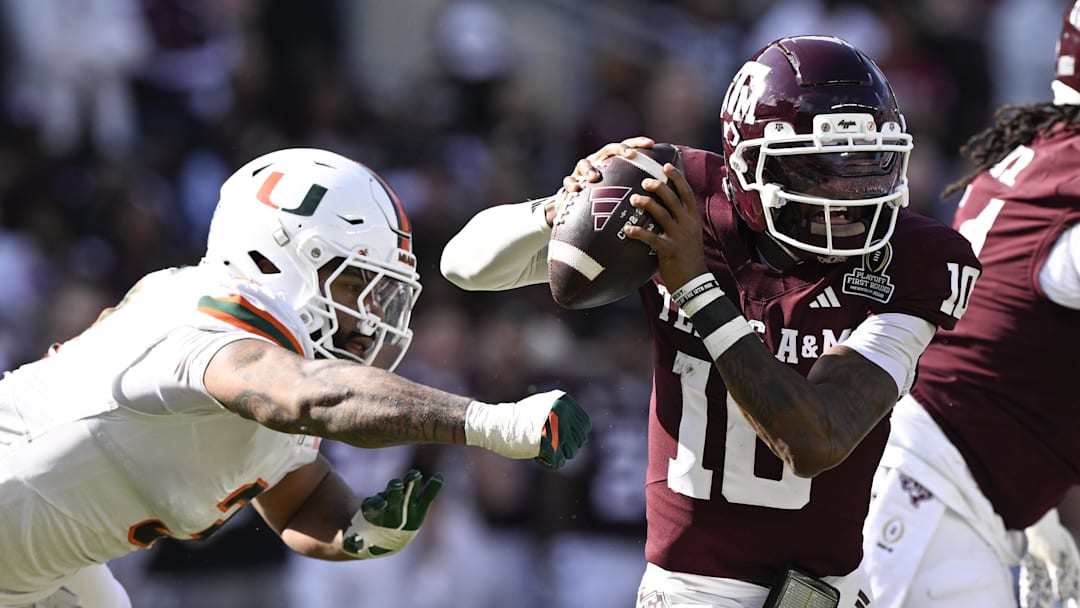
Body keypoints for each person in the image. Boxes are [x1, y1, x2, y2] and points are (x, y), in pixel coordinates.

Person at [441, 35, 981, 608]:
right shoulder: (677, 194)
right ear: (746, 166)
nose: (846, 195)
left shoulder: (917, 260)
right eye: (818, 168)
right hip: (693, 593)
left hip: (832, 595)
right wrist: (563, 207)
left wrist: (696, 289)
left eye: (866, 163)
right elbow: (463, 266)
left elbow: (814, 438)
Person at [0, 147, 592, 608]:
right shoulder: (201, 312)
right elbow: (306, 396)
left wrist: (359, 533)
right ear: (280, 256)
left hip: (36, 566)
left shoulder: (277, 370)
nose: (373, 314)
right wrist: (491, 422)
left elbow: (299, 500)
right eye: (358, 283)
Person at [860, 3, 1080, 607]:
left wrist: (1042, 516)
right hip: (934, 507)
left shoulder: (1040, 159)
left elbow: (1019, 347)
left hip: (943, 491)